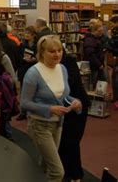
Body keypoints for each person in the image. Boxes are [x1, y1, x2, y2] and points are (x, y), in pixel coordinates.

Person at [21, 35, 82, 182]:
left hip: (58, 125)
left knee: (46, 165)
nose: (57, 54)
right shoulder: (33, 73)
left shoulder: (62, 69)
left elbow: (63, 96)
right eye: (52, 51)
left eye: (59, 50)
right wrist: (49, 109)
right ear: (42, 53)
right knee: (57, 172)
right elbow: (24, 103)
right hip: (39, 125)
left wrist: (75, 102)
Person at [59, 52, 90, 182]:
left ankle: (76, 175)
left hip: (77, 105)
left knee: (71, 141)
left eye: (57, 50)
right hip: (63, 107)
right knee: (62, 141)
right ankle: (65, 171)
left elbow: (69, 85)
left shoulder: (69, 61)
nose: (55, 54)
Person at [16, 26, 38, 121]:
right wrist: (23, 58)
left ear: (33, 35)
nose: (26, 35)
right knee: (23, 91)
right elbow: (18, 56)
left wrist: (35, 59)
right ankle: (23, 112)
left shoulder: (37, 45)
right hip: (24, 69)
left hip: (33, 69)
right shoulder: (22, 45)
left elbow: (40, 56)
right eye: (25, 33)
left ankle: (33, 111)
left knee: (34, 91)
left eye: (28, 34)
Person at [83, 20, 106, 88]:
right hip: (94, 66)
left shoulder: (96, 38)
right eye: (99, 31)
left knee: (101, 82)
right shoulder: (90, 39)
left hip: (97, 65)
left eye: (102, 31)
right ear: (94, 31)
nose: (101, 33)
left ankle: (99, 97)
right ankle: (95, 98)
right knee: (94, 83)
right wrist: (99, 64)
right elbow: (90, 54)